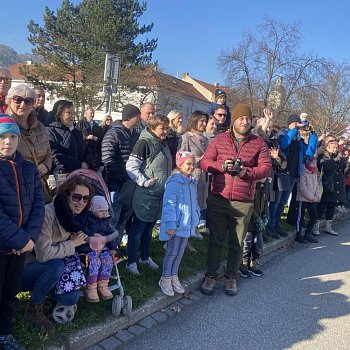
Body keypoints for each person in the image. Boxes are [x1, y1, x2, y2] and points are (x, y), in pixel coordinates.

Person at [200, 103, 271, 296]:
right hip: (219, 197)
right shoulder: (219, 140)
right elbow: (204, 162)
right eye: (241, 118)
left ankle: (231, 277)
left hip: (244, 200)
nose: (245, 121)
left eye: (247, 118)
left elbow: (266, 168)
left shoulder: (258, 143)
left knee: (237, 242)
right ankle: (211, 275)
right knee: (216, 240)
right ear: (234, 120)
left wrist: (245, 172)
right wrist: (221, 165)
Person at [21, 176, 91, 333]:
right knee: (56, 267)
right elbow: (43, 255)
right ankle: (34, 308)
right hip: (27, 267)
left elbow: (81, 237)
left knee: (71, 298)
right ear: (66, 195)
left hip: (50, 265)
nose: (81, 202)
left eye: (85, 198)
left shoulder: (75, 216)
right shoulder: (48, 214)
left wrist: (99, 240)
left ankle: (44, 292)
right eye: (77, 197)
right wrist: (71, 244)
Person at [0, 115, 44, 350]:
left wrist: (29, 238)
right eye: (3, 136)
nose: (8, 141)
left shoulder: (28, 169)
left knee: (11, 293)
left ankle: (5, 333)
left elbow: (38, 205)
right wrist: (19, 239)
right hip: (3, 244)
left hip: (21, 246)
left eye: (13, 136)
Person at [125, 114, 172, 275]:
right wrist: (144, 181)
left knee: (148, 229)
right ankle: (130, 262)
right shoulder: (144, 143)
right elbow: (131, 166)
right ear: (152, 128)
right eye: (162, 128)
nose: (165, 131)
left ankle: (144, 257)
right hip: (145, 194)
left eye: (167, 127)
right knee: (137, 229)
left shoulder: (163, 143)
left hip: (158, 196)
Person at [158, 151, 200, 296]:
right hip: (176, 225)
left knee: (180, 252)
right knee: (171, 252)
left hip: (187, 224)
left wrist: (196, 217)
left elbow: (194, 202)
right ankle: (165, 278)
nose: (192, 167)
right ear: (180, 164)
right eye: (188, 164)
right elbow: (169, 204)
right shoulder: (174, 182)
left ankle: (174, 275)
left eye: (193, 164)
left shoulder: (192, 182)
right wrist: (170, 224)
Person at [6, 84, 52, 203]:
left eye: (28, 101)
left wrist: (46, 166)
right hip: (13, 189)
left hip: (38, 188)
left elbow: (48, 152)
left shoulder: (40, 127)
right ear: (9, 101)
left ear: (33, 104)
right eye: (18, 99)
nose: (23, 104)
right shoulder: (3, 126)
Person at [273, 115, 318, 236]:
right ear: (291, 124)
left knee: (283, 202)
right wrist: (294, 130)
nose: (299, 125)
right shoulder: (284, 134)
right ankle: (271, 225)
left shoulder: (299, 140)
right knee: (276, 201)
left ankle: (277, 224)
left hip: (293, 174)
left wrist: (313, 135)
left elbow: (309, 152)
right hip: (282, 173)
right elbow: (283, 144)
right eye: (296, 123)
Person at [102, 104, 140, 235]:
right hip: (116, 185)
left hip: (130, 184)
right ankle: (107, 250)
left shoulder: (135, 134)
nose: (140, 119)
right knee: (112, 219)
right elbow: (107, 158)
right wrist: (121, 177)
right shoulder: (114, 133)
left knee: (123, 220)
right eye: (137, 116)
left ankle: (116, 249)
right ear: (130, 117)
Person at [77, 195, 117, 303]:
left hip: (102, 247)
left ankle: (103, 285)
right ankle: (91, 287)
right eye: (101, 211)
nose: (104, 213)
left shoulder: (106, 221)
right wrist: (92, 235)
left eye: (105, 210)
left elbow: (110, 235)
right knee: (94, 262)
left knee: (107, 260)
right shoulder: (85, 219)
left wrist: (113, 248)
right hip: (87, 248)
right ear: (92, 210)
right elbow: (82, 231)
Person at [180, 111, 209, 233]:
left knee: (199, 204)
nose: (204, 123)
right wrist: (198, 160)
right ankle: (186, 230)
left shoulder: (206, 139)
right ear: (194, 121)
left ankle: (194, 228)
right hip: (192, 175)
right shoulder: (186, 137)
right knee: (190, 203)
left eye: (205, 121)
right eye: (201, 121)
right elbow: (181, 156)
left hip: (204, 176)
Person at [46, 100, 92, 177]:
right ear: (59, 114)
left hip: (80, 175)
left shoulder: (77, 133)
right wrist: (78, 165)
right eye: (69, 113)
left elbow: (87, 151)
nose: (73, 116)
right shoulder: (50, 131)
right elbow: (53, 155)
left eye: (74, 113)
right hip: (61, 177)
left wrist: (87, 163)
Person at [314, 140, 346, 236]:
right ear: (327, 147)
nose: (335, 149)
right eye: (333, 147)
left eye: (336, 148)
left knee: (331, 206)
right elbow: (322, 167)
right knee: (322, 206)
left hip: (336, 185)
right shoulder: (323, 156)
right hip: (326, 184)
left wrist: (340, 160)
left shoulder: (338, 157)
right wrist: (334, 160)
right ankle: (316, 226)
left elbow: (342, 169)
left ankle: (328, 226)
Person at [239, 180, 268, 278]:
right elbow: (248, 205)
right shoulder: (250, 187)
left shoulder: (263, 187)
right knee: (247, 244)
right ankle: (243, 264)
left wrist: (265, 215)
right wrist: (256, 218)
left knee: (257, 243)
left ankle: (253, 262)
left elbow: (265, 203)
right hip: (249, 221)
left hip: (259, 221)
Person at [295, 156, 320, 243]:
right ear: (308, 163)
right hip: (303, 198)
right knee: (300, 217)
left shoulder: (314, 172)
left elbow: (317, 185)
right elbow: (302, 188)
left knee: (314, 216)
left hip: (312, 199)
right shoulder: (303, 172)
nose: (314, 165)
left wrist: (316, 196)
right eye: (313, 163)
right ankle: (298, 234)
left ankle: (307, 233)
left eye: (315, 163)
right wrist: (311, 197)